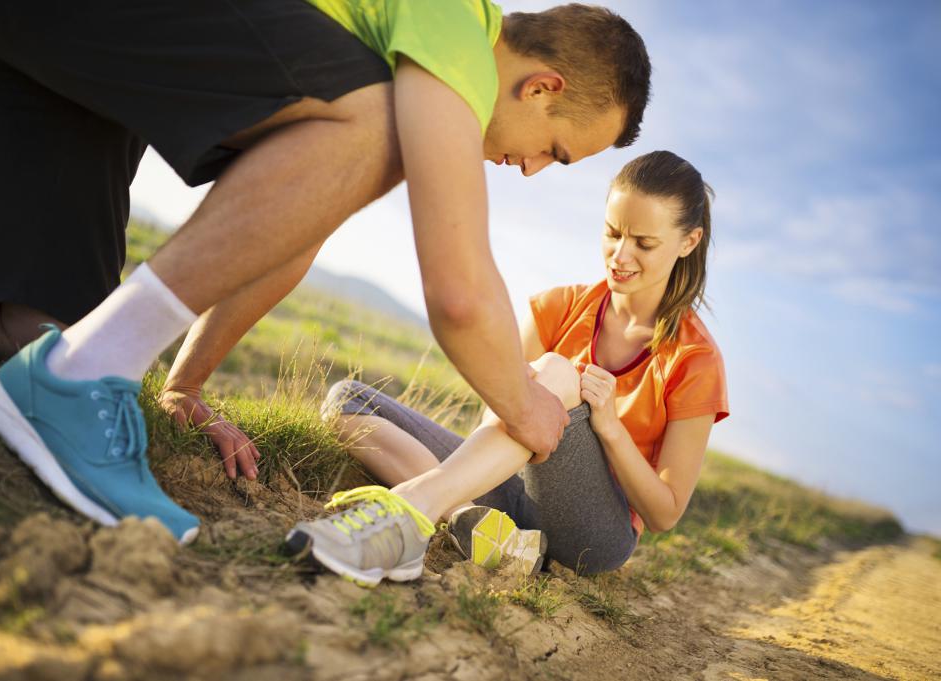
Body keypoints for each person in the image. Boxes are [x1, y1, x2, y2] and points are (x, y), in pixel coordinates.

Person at [0, 0, 651, 543]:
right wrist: (526, 407)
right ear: (541, 86)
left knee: (33, 329)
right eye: (552, 151)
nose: (527, 171)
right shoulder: (454, 26)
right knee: (380, 127)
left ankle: (74, 363)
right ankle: (83, 376)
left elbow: (292, 221)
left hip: (22, 24)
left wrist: (185, 385)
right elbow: (458, 295)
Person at [287, 151, 729, 584]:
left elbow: (664, 513)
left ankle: (408, 512)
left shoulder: (695, 359)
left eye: (644, 243)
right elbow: (495, 414)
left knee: (556, 371)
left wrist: (610, 428)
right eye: (613, 233)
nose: (620, 255)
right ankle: (471, 523)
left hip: (594, 536)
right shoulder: (559, 306)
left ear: (687, 242)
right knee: (346, 401)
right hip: (512, 488)